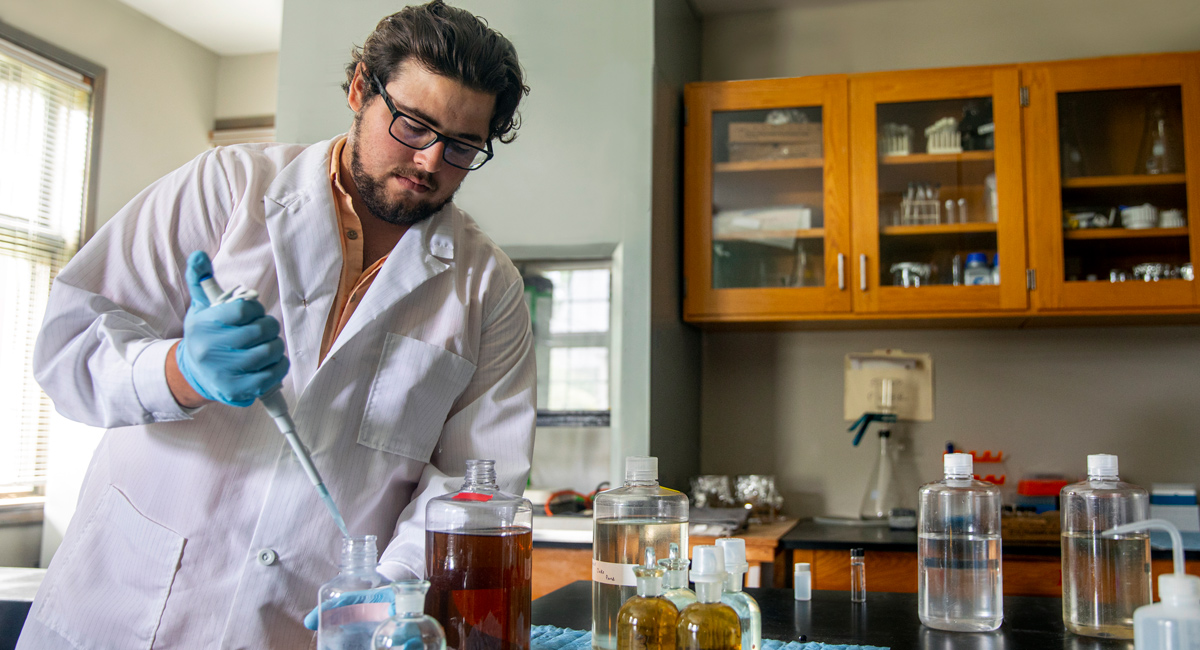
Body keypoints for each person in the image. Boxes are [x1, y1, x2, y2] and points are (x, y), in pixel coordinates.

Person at [17, 2, 534, 647]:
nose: (430, 161)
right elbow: (70, 346)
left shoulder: (487, 286)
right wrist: (181, 370)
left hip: (306, 621)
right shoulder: (226, 188)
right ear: (358, 89)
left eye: (461, 146)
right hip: (124, 606)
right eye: (411, 125)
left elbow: (474, 479)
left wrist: (400, 581)